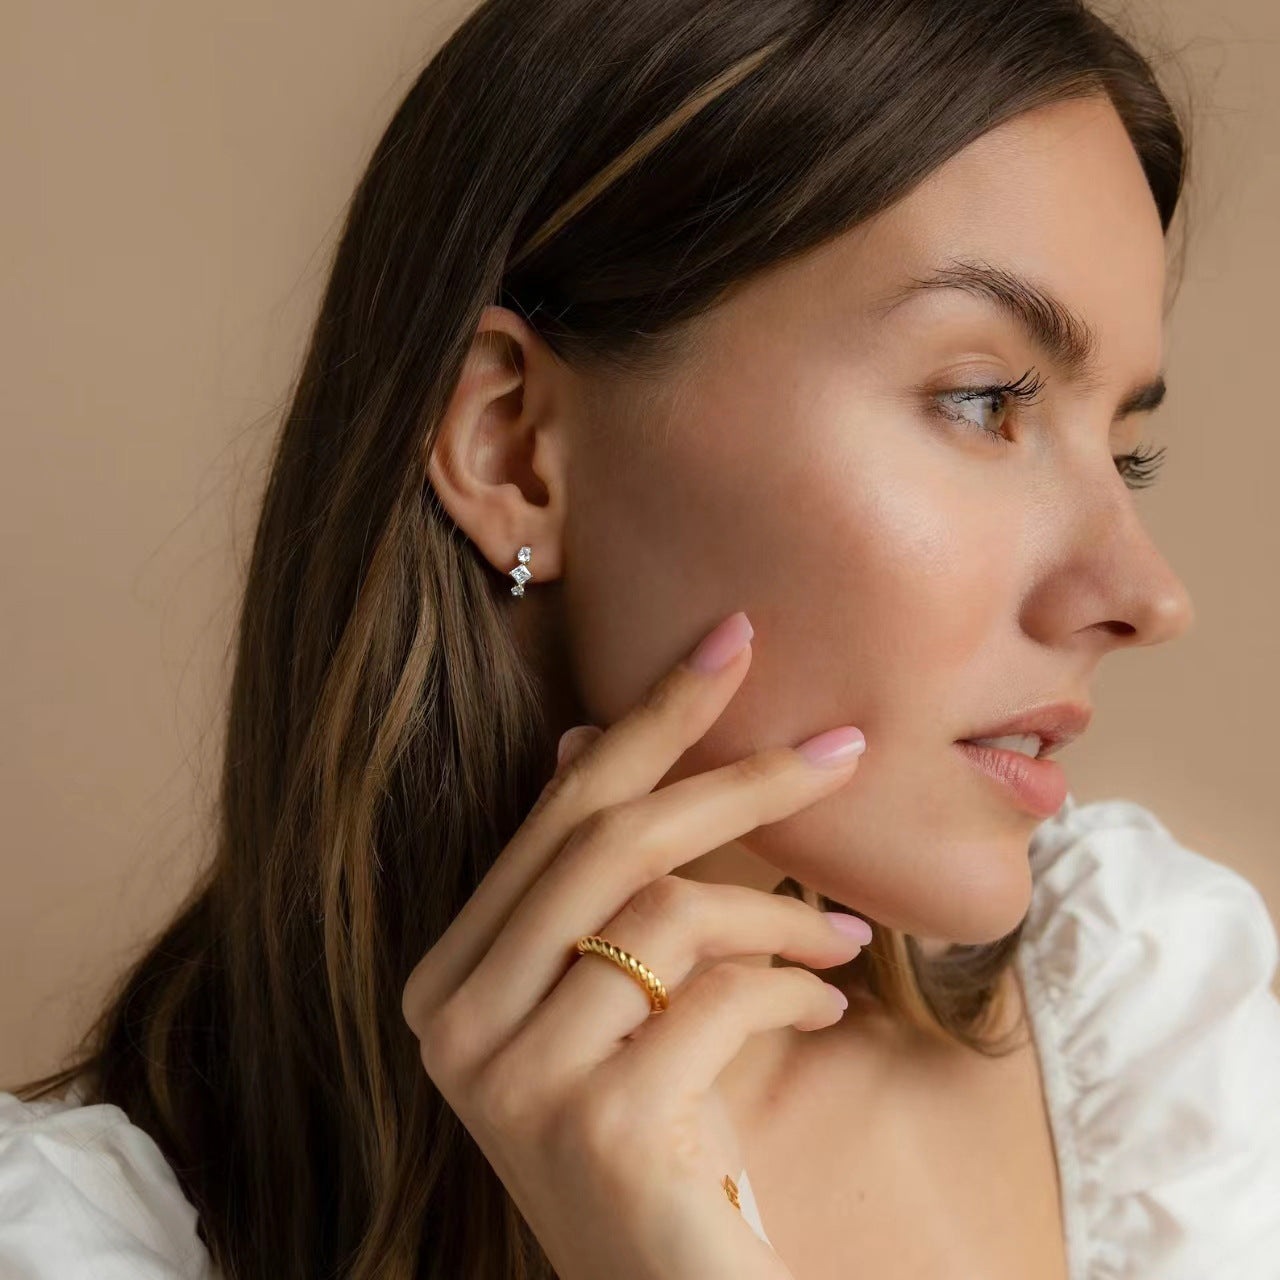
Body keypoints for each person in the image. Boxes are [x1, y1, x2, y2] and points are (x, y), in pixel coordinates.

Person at [3, 0, 1279, 1276]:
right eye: (982, 399)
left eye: (1124, 451)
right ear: (513, 449)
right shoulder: (85, 1246)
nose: (1143, 594)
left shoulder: (1153, 1050)